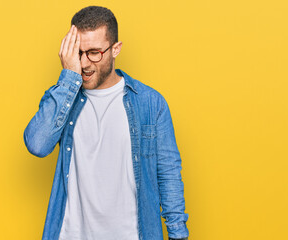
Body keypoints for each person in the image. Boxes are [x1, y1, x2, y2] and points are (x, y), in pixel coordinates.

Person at [23, 6, 189, 240]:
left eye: (94, 53)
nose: (85, 63)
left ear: (115, 49)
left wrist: (178, 234)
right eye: (78, 53)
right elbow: (37, 145)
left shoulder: (150, 103)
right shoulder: (62, 98)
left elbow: (169, 174)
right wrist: (69, 78)